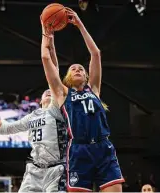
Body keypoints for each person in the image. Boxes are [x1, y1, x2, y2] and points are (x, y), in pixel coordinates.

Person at [41, 7, 124, 192]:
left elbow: (96, 54)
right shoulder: (62, 94)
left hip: (103, 148)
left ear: (87, 76)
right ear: (67, 77)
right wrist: (45, 32)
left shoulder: (94, 89)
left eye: (81, 68)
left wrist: (79, 24)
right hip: (79, 151)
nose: (78, 69)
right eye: (73, 69)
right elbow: (46, 57)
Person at [0, 36, 67, 193]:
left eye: (51, 92)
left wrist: (51, 46)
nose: (49, 93)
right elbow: (4, 129)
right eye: (46, 93)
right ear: (39, 101)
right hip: (34, 170)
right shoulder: (32, 116)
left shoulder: (56, 110)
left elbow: (54, 75)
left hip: (56, 169)